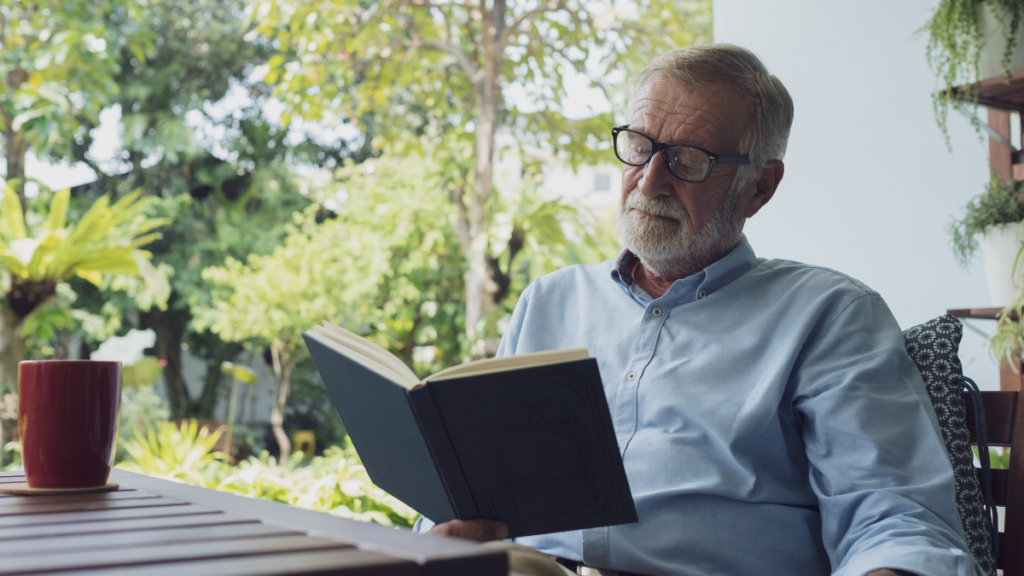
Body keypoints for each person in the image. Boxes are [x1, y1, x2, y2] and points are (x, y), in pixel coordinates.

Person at [414, 44, 983, 576]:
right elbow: (468, 492)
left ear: (759, 187)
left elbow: (897, 522)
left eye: (688, 160)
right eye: (639, 146)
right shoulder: (550, 299)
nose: (650, 180)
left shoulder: (829, 315)